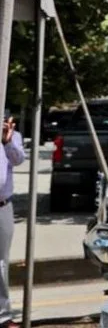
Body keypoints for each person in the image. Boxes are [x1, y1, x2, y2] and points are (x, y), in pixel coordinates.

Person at [0, 116, 24, 328]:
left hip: (2, 206)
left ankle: (3, 316)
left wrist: (6, 142)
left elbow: (18, 159)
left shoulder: (12, 135)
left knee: (1, 263)